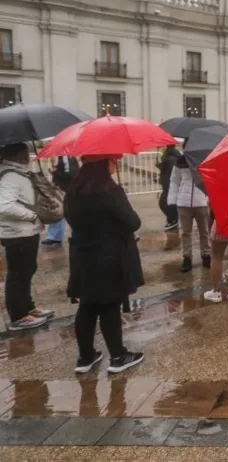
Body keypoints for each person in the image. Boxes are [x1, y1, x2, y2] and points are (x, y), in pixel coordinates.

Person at [64, 156, 144, 374]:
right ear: (103, 164)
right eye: (112, 160)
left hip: (82, 255)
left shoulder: (74, 191)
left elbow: (69, 218)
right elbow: (133, 222)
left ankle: (85, 357)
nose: (115, 163)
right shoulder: (110, 191)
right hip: (109, 256)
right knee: (109, 304)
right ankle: (118, 356)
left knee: (87, 305)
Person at [0, 143, 54, 331]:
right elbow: (4, 206)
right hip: (18, 234)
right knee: (18, 274)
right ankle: (18, 316)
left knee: (27, 270)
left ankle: (28, 307)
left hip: (26, 232)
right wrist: (31, 216)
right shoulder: (10, 177)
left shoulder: (18, 173)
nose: (29, 155)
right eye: (25, 152)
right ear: (17, 155)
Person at [168, 153, 210, 272]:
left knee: (204, 231)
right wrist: (172, 199)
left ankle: (206, 255)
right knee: (185, 233)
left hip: (201, 202)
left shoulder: (204, 159)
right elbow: (174, 181)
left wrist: (209, 197)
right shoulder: (180, 161)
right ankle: (187, 258)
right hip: (183, 203)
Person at [41, 156, 79, 247]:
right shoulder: (69, 156)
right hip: (67, 188)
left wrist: (55, 172)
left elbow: (69, 173)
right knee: (61, 210)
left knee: (59, 210)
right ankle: (55, 236)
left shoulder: (65, 156)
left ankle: (55, 236)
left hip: (64, 188)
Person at [157, 145, 181, 232]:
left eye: (162, 146)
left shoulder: (169, 158)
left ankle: (173, 220)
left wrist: (161, 166)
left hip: (169, 184)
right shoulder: (169, 156)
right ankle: (172, 220)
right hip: (168, 184)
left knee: (163, 203)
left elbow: (170, 170)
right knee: (165, 203)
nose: (161, 147)